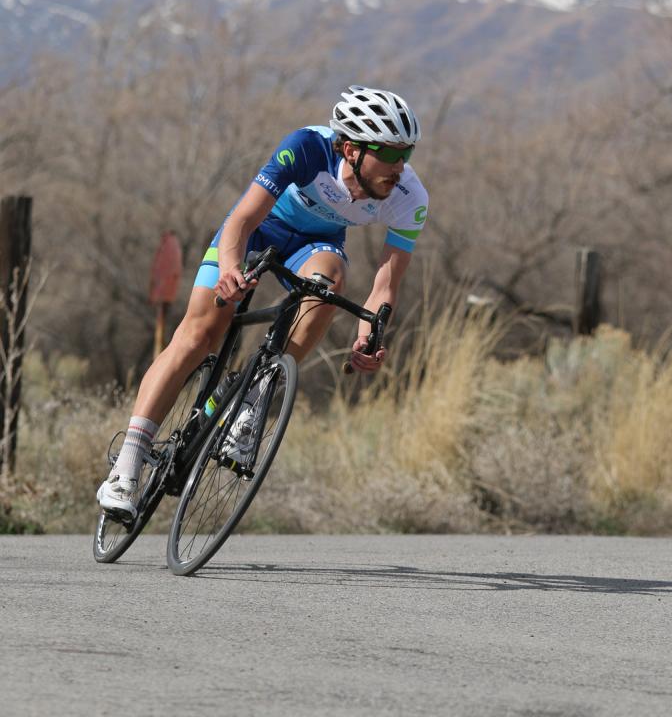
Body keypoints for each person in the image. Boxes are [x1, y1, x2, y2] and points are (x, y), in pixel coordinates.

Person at [97, 85, 428, 519]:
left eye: (406, 154)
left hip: (316, 244)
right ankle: (127, 466)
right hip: (259, 228)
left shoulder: (409, 198)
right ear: (350, 149)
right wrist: (233, 269)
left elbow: (385, 286)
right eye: (389, 155)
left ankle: (254, 399)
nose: (399, 168)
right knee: (199, 333)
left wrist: (369, 336)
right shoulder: (306, 148)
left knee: (329, 286)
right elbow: (242, 218)